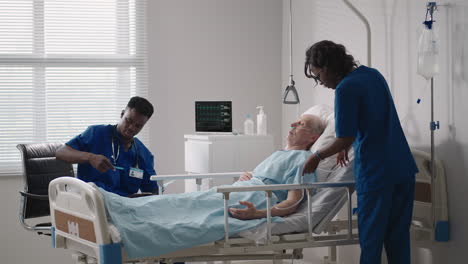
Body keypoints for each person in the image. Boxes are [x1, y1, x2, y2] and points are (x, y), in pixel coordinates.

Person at [98, 114, 325, 259]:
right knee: (180, 202)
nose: (293, 124)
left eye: (301, 124)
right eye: (295, 121)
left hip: (253, 200)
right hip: (240, 190)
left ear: (313, 137)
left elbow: (293, 201)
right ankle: (113, 208)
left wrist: (258, 213)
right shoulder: (280, 153)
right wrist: (250, 176)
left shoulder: (303, 160)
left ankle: (118, 216)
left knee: (186, 210)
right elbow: (267, 176)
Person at [302, 40, 418, 264]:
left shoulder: (345, 89)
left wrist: (316, 157)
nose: (321, 83)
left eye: (318, 77)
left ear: (326, 67)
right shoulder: (372, 75)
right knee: (398, 239)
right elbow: (371, 118)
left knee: (371, 242)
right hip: (402, 168)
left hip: (376, 174)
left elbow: (345, 136)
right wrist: (344, 146)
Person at [56, 96, 158, 197]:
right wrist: (90, 157)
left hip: (123, 207)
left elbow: (152, 192)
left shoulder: (143, 154)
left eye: (138, 126)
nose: (131, 128)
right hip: (91, 203)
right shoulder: (96, 133)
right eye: (129, 121)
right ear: (122, 114)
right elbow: (61, 153)